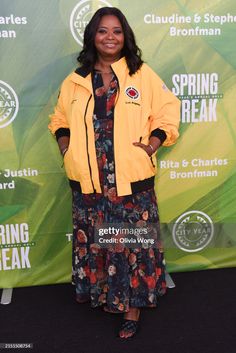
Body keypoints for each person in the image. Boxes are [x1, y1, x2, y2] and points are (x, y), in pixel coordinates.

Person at [48, 7, 180, 339]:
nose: (110, 37)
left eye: (117, 31)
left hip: (130, 180)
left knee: (132, 245)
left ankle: (133, 308)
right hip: (90, 180)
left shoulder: (141, 74)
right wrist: (67, 148)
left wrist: (153, 144)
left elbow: (168, 110)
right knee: (98, 241)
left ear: (126, 36)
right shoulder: (75, 80)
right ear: (93, 35)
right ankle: (103, 293)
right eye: (103, 31)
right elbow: (59, 119)